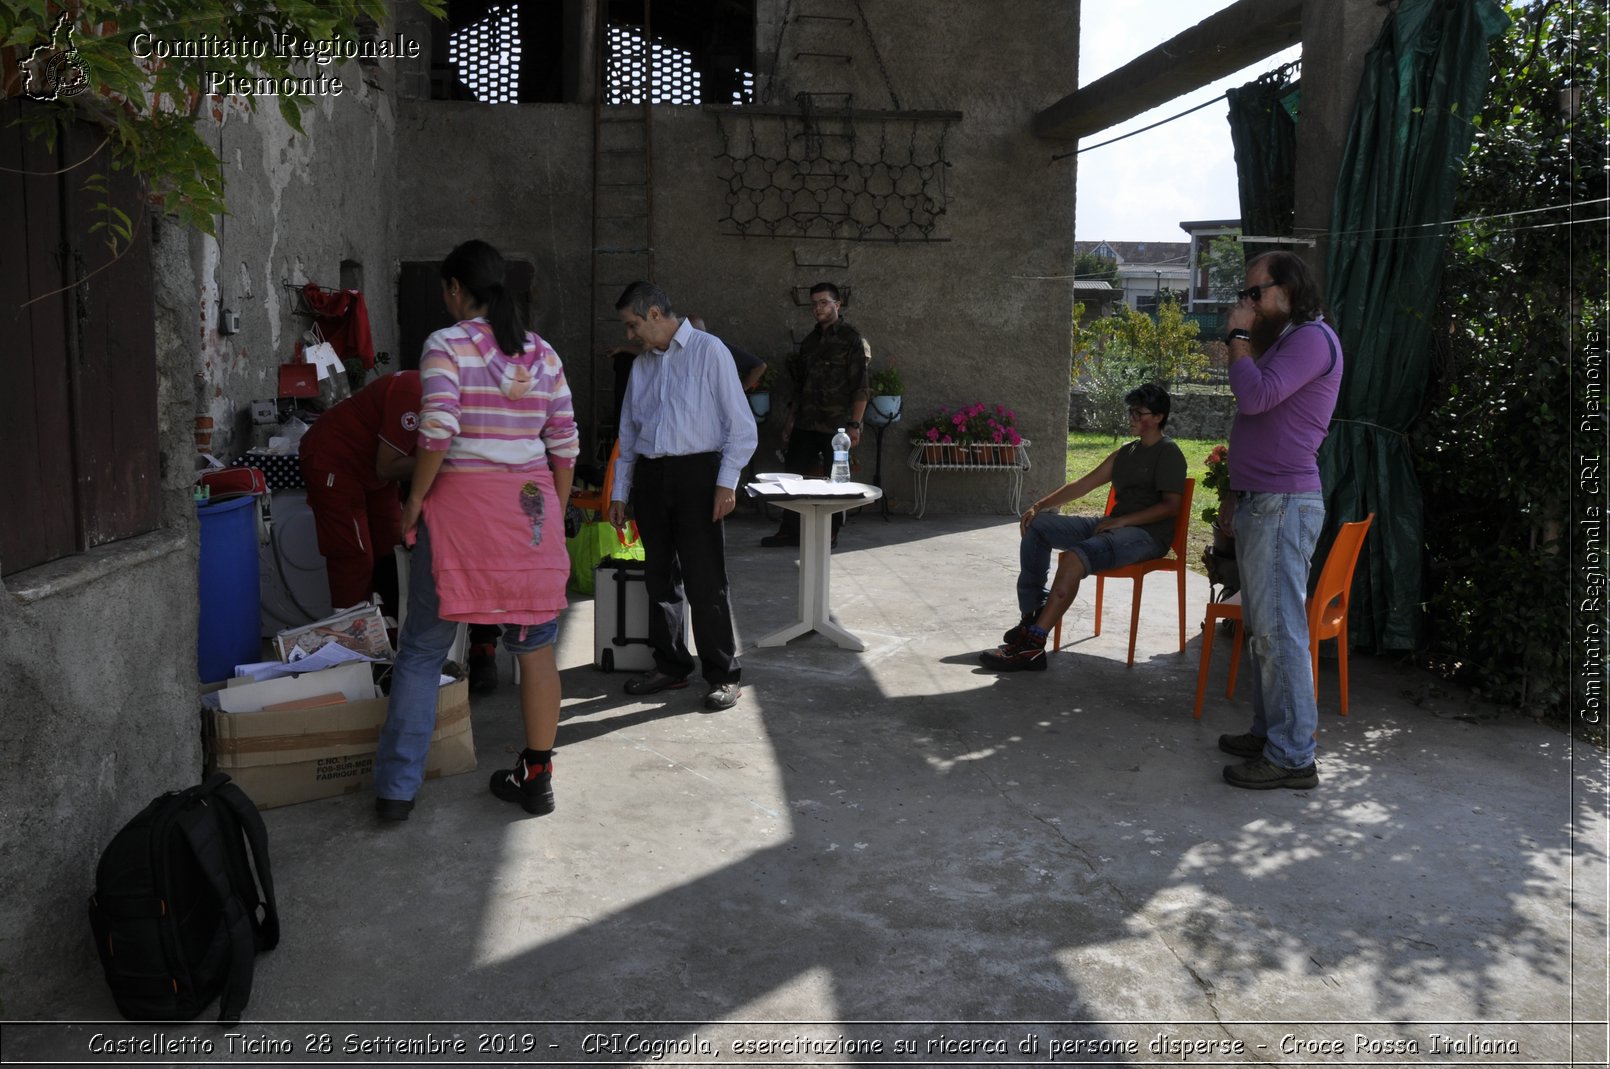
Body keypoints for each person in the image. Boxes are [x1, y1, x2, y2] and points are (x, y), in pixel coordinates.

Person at [372, 240, 580, 821]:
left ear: (457, 290)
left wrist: (414, 498)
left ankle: (396, 791)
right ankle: (536, 779)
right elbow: (565, 444)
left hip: (460, 512)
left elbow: (437, 430)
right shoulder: (543, 354)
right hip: (529, 511)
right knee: (536, 650)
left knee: (421, 650)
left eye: (446, 290)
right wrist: (551, 519)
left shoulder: (447, 344)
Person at [1216, 251, 1343, 791]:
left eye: (1254, 293)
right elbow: (1254, 404)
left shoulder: (1312, 339)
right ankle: (1271, 732)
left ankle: (1292, 757)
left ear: (1286, 291)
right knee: (1264, 630)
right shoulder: (1289, 341)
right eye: (1246, 296)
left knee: (1280, 632)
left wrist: (1239, 340)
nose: (1247, 304)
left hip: (1282, 504)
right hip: (1263, 501)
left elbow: (1256, 396)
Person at [608, 281, 757, 711]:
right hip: (652, 478)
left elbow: (741, 428)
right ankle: (671, 665)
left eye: (634, 325)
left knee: (705, 578)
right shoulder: (643, 366)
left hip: (698, 475)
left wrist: (726, 482)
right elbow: (630, 433)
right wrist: (621, 490)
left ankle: (722, 673)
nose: (631, 335)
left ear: (655, 314)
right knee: (658, 577)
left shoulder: (710, 351)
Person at [980, 383, 1186, 672]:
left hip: (1146, 536)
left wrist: (1122, 521)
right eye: (1131, 412)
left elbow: (1170, 506)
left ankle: (1032, 646)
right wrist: (1039, 506)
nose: (1132, 418)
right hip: (1111, 528)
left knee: (1076, 556)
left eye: (1140, 413)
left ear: (1159, 417)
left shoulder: (1169, 453)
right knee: (1038, 526)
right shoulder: (1126, 453)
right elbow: (1083, 484)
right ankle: (1033, 615)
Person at [296, 370, 421, 614]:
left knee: (391, 547)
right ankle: (350, 638)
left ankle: (391, 624)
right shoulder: (416, 393)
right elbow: (387, 467)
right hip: (336, 459)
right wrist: (444, 462)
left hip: (371, 469)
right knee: (354, 555)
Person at [761, 282, 870, 548]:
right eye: (814, 303)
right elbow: (800, 387)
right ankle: (790, 530)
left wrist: (855, 424)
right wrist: (790, 420)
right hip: (807, 422)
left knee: (835, 482)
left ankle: (828, 534)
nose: (818, 308)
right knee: (793, 476)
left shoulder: (851, 339)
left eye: (824, 302)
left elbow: (862, 386)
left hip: (837, 426)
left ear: (837, 305)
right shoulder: (809, 343)